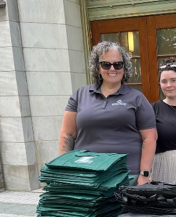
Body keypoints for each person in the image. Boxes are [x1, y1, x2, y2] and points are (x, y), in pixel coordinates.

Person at [58, 41, 157, 184]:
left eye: (118, 64)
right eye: (106, 64)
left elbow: (150, 138)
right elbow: (67, 134)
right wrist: (65, 168)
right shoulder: (79, 95)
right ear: (97, 68)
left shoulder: (137, 98)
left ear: (124, 68)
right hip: (86, 174)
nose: (112, 69)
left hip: (127, 175)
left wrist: (145, 174)